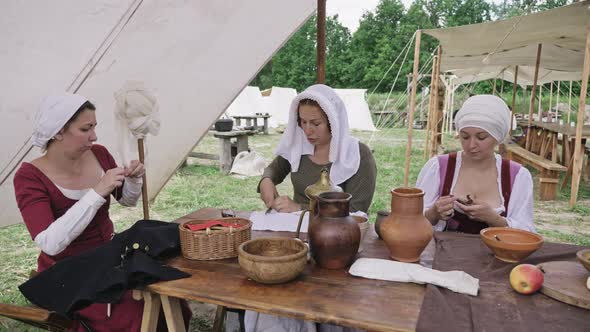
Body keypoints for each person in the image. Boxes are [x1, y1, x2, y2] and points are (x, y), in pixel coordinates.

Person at [14, 93, 147, 331]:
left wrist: (135, 180)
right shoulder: (29, 177)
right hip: (68, 273)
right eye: (85, 129)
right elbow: (51, 243)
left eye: (94, 127)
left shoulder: (99, 154)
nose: (94, 136)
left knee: (161, 297)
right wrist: (96, 192)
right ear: (58, 132)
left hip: (111, 259)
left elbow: (127, 200)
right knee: (135, 314)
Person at [416, 94, 534, 234]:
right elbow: (411, 219)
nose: (471, 145)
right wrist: (434, 213)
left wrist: (495, 219)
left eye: (481, 137)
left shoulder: (517, 176)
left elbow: (526, 232)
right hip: (444, 254)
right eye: (465, 137)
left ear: (497, 137)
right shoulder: (438, 167)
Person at [258, 84, 377, 213]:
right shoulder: (299, 145)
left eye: (316, 123)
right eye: (303, 122)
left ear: (333, 123)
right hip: (295, 227)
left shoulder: (357, 155)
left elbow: (355, 211)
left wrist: (300, 209)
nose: (308, 130)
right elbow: (274, 169)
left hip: (338, 231)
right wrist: (266, 180)